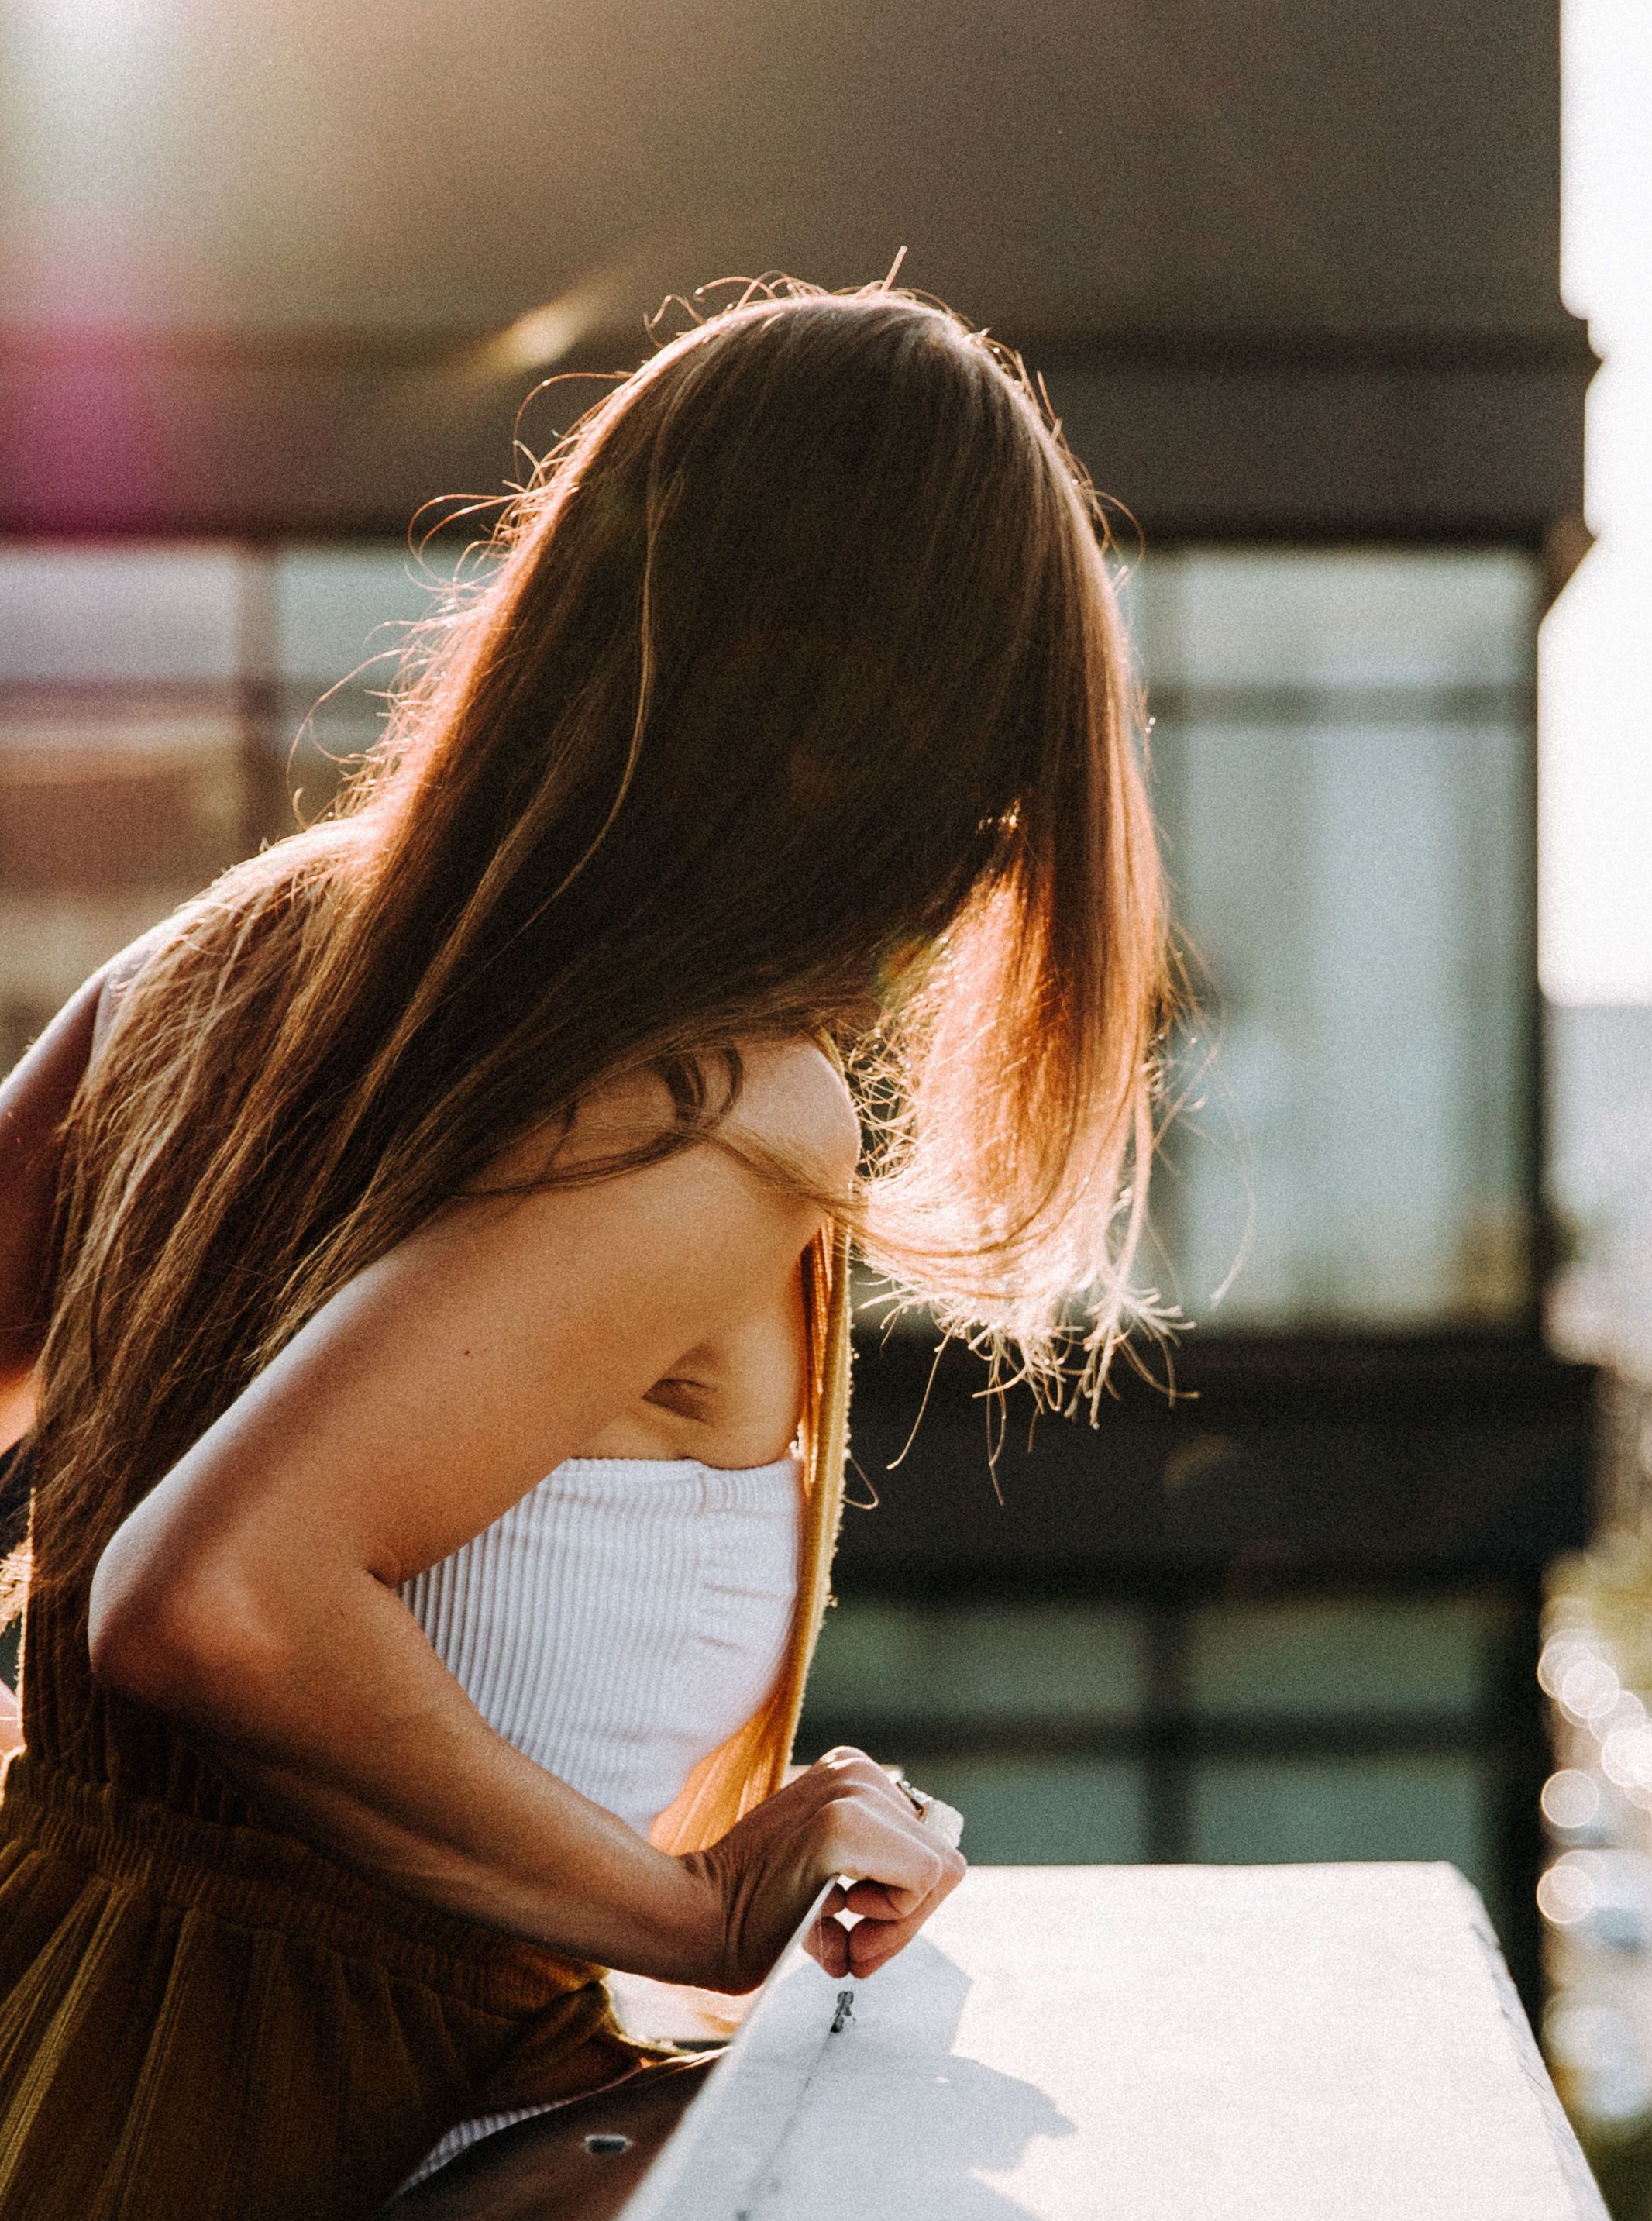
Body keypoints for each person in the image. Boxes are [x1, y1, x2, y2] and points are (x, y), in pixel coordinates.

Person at [0, 283, 1168, 2218]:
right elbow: (214, 1598)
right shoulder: (731, 1109)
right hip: (291, 2112)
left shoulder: (227, 946)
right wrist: (695, 1914)